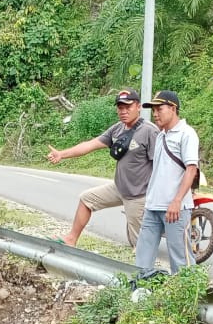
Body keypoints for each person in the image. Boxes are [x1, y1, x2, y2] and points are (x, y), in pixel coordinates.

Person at [46, 89, 154, 246]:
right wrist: (62, 154)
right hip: (119, 188)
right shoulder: (117, 129)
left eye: (128, 107)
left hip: (138, 195)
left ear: (138, 107)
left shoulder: (149, 131)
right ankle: (71, 239)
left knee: (138, 245)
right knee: (86, 199)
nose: (123, 111)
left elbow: (161, 165)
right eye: (120, 107)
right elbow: (90, 145)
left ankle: (145, 267)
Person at [134, 90, 199, 275]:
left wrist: (177, 200)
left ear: (173, 108)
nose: (155, 114)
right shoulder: (161, 135)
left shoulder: (186, 134)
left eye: (159, 109)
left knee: (181, 260)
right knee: (142, 258)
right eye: (153, 110)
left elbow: (191, 168)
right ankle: (140, 293)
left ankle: (187, 300)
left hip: (175, 209)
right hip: (153, 205)